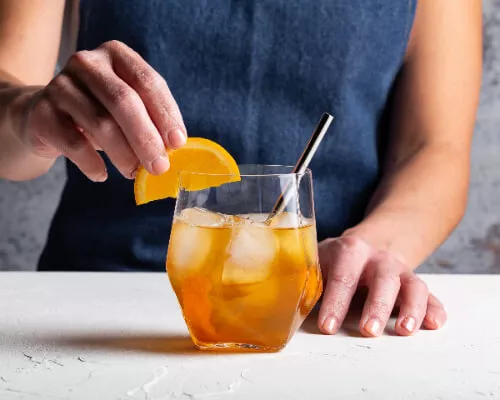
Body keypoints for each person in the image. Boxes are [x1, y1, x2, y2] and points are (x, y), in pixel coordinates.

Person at [0, 0, 482, 337]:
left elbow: (433, 149)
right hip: (92, 309)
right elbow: (10, 136)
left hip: (314, 317)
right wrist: (27, 113)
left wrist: (373, 247)